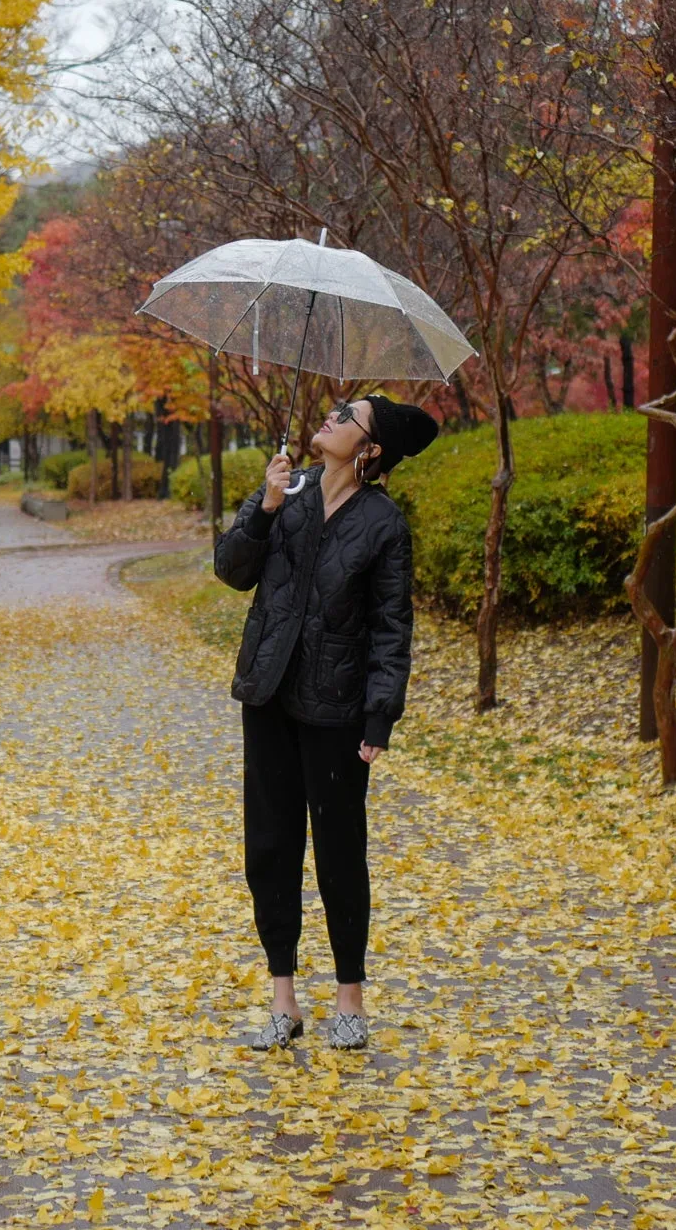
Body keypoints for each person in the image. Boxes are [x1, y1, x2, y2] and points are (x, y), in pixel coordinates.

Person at [213, 394, 441, 1050]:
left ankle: (349, 998)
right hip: (269, 697)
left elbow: (391, 632)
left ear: (369, 451)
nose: (332, 417)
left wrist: (380, 714)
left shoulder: (383, 524)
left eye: (349, 416)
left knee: (340, 851)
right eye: (336, 408)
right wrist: (266, 505)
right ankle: (282, 999)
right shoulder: (289, 491)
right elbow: (230, 569)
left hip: (337, 708)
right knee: (270, 848)